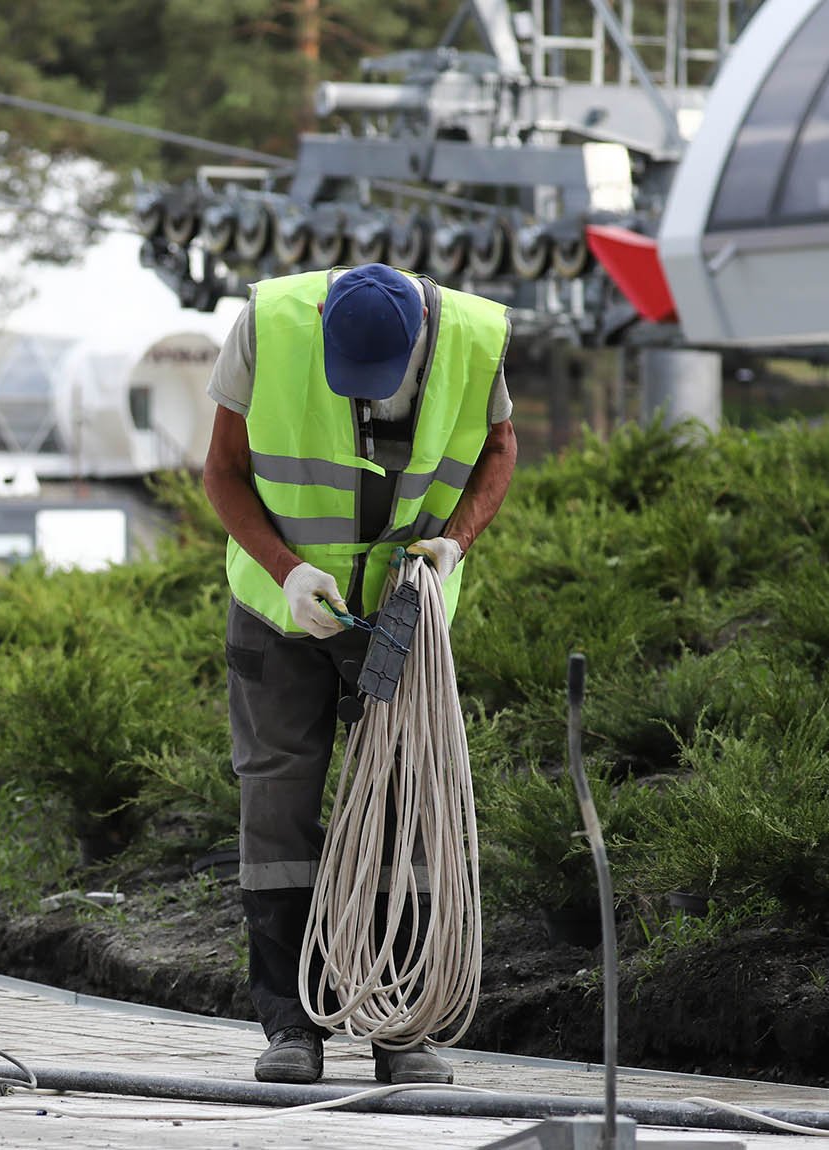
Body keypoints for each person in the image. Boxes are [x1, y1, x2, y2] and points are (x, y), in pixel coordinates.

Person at [201, 263, 517, 1087]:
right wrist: (284, 570)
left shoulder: (476, 339)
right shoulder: (268, 324)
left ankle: (398, 1026)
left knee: (404, 800)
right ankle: (290, 1027)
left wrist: (458, 541)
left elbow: (500, 451)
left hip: (406, 614)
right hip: (283, 609)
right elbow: (224, 472)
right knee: (276, 799)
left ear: (420, 341)